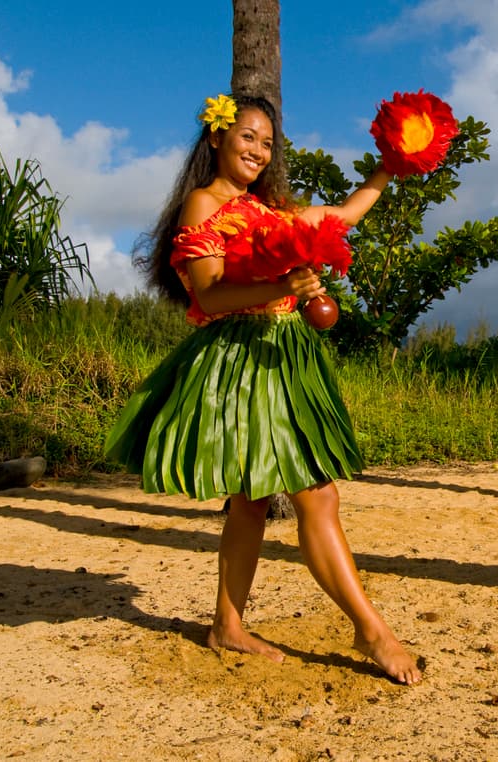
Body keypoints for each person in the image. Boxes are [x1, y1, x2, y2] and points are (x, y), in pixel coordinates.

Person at [106, 93, 422, 685]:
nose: (257, 149)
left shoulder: (270, 210)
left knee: (251, 499)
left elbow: (345, 214)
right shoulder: (204, 204)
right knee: (316, 495)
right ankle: (371, 629)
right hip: (242, 357)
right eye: (247, 136)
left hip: (286, 356)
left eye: (267, 142)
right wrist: (279, 283)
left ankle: (227, 623)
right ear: (217, 139)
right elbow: (210, 296)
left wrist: (389, 166)